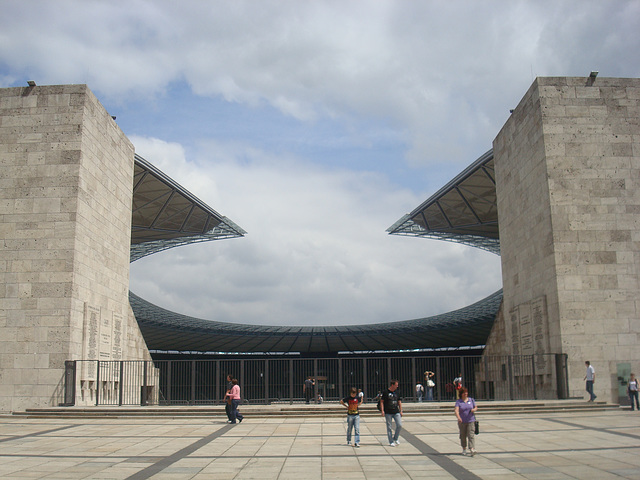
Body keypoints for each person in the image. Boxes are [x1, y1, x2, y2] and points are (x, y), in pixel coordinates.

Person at [454, 387, 477, 456]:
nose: (466, 394)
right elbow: (456, 410)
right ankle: (464, 448)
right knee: (463, 435)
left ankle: (472, 448)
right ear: (461, 394)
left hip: (471, 420)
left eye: (466, 393)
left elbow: (475, 407)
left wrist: (474, 410)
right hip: (462, 421)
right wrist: (458, 417)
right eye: (464, 393)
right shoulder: (458, 402)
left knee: (471, 435)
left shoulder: (471, 400)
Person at [380, 379, 403, 447]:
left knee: (399, 425)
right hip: (388, 412)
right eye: (396, 385)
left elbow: (399, 401)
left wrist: (401, 410)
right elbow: (382, 401)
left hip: (396, 411)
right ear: (392, 385)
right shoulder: (386, 392)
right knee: (389, 427)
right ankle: (391, 441)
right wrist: (382, 410)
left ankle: (395, 438)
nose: (397, 386)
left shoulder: (397, 392)